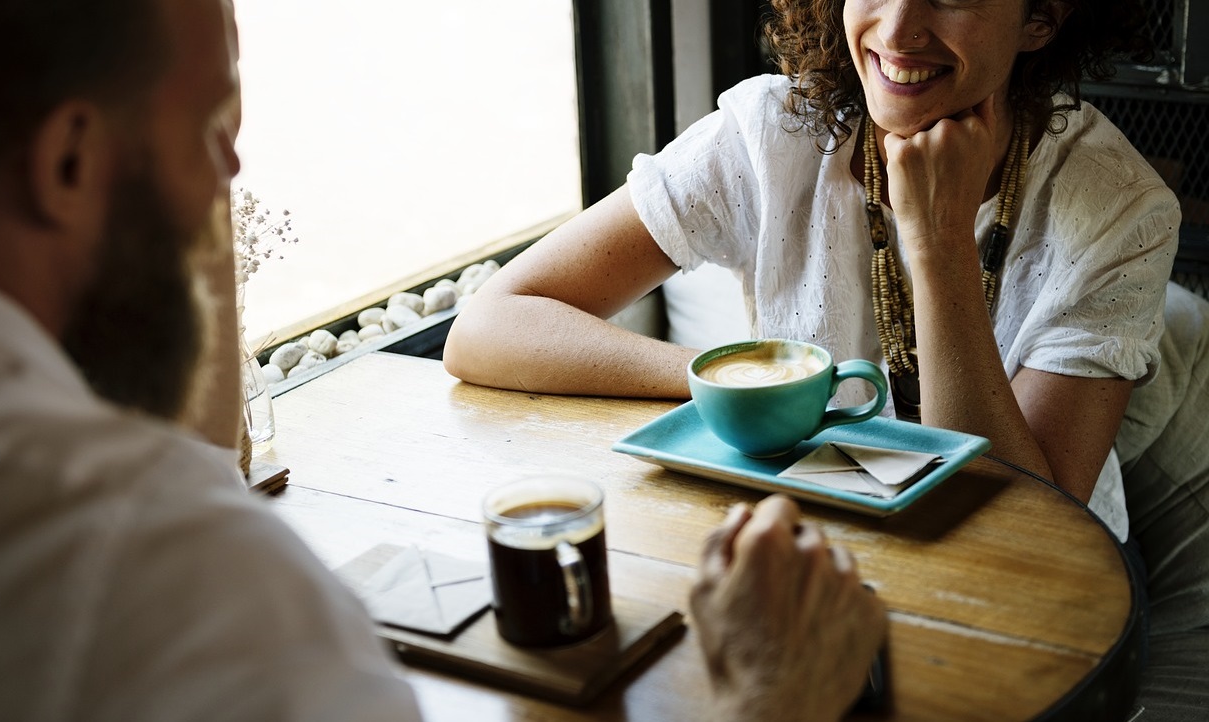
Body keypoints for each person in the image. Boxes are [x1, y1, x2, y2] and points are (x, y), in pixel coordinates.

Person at [0, 1, 885, 720]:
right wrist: (769, 700)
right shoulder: (164, 572)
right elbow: (492, 321)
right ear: (68, 164)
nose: (232, 183)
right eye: (214, 133)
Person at [443, 0, 1181, 545]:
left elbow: (1030, 527)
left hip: (1048, 591)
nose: (896, 31)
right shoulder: (775, 134)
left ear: (1040, 19)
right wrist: (748, 387)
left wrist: (938, 242)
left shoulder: (1124, 210)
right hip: (814, 543)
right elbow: (487, 326)